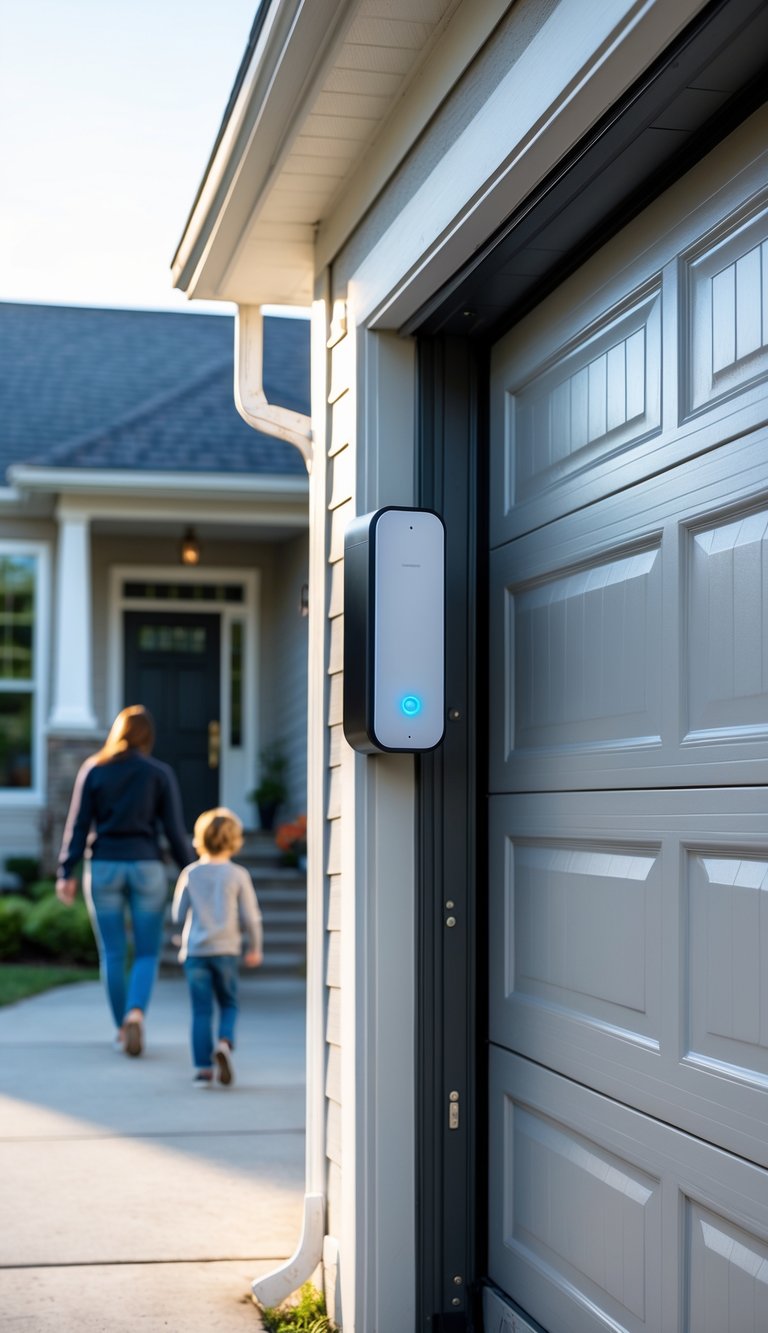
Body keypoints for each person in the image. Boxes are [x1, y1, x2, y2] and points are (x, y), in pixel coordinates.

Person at [55, 705, 193, 1057]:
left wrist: (65, 872)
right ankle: (136, 1012)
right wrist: (192, 871)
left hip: (103, 866)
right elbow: (175, 832)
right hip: (147, 866)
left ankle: (120, 1029)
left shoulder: (94, 770)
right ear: (148, 737)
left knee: (113, 952)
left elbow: (78, 825)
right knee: (147, 952)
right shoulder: (159, 773)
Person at [172, 806, 263, 1087]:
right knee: (229, 1002)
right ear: (234, 840)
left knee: (201, 1010)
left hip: (196, 951)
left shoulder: (190, 873)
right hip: (227, 951)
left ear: (200, 838)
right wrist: (255, 947)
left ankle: (203, 1070)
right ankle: (224, 1043)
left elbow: (177, 914)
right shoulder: (238, 875)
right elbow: (251, 916)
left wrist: (183, 931)